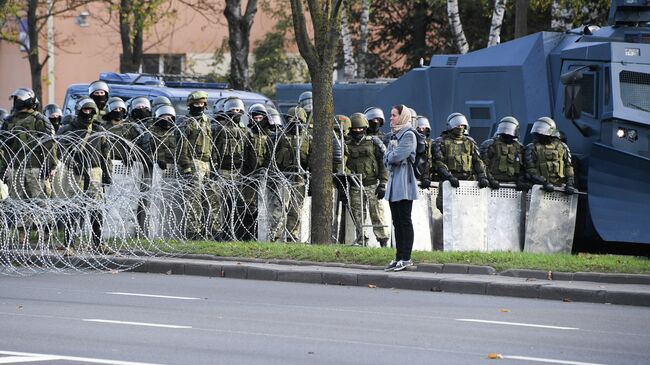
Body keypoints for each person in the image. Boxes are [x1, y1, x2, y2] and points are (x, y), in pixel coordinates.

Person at [0, 88, 58, 245]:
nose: (16, 102)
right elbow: (4, 146)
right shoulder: (9, 121)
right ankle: (22, 234)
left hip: (35, 167)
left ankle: (44, 234)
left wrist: (50, 165)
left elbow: (49, 144)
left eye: (19, 99)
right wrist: (2, 169)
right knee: (18, 201)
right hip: (15, 167)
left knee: (39, 200)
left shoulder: (39, 119)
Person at [57, 98, 112, 254]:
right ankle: (70, 244)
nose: (88, 113)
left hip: (95, 172)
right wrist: (73, 163)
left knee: (96, 209)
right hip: (75, 173)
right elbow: (60, 151)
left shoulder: (98, 130)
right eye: (85, 110)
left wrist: (107, 173)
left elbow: (105, 154)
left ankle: (99, 243)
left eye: (91, 110)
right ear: (79, 110)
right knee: (73, 208)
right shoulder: (68, 129)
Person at [345, 113, 390, 247]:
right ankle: (361, 240)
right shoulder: (347, 144)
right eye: (355, 129)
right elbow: (342, 164)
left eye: (360, 129)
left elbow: (383, 163)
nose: (358, 131)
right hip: (355, 186)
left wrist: (382, 183)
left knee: (377, 215)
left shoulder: (374, 142)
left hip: (372, 185)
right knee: (358, 215)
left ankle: (383, 241)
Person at [383, 105, 418, 271]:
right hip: (394, 182)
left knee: (405, 220)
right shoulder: (394, 135)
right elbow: (387, 158)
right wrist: (391, 157)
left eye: (394, 115)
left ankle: (406, 257)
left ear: (402, 117)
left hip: (404, 183)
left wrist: (390, 156)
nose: (391, 118)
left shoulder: (409, 135)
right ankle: (398, 257)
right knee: (396, 222)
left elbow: (397, 156)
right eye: (391, 115)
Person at [269, 106, 311, 242]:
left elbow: (313, 159)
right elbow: (272, 158)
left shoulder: (308, 138)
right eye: (291, 119)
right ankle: (274, 234)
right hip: (283, 175)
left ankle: (292, 234)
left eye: (298, 120)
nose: (294, 122)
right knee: (280, 206)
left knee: (295, 208)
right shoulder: (280, 136)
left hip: (299, 177)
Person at [433, 112, 489, 211]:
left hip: (468, 181)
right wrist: (449, 177)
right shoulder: (440, 142)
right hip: (448, 182)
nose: (460, 127)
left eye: (462, 125)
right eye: (457, 125)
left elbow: (477, 160)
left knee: (468, 209)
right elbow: (439, 162)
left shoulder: (469, 142)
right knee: (446, 208)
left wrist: (482, 176)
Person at [210, 97, 248, 240]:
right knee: (219, 205)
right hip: (222, 171)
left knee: (235, 206)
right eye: (232, 110)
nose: (235, 112)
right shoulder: (219, 129)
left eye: (238, 110)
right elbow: (213, 149)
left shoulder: (245, 131)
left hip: (238, 172)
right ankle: (218, 233)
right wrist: (214, 169)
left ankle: (234, 234)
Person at [176, 90, 212, 239]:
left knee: (208, 200)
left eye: (202, 103)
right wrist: (186, 167)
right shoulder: (186, 122)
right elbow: (181, 147)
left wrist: (212, 163)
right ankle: (192, 232)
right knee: (193, 200)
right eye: (197, 103)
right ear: (191, 105)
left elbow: (210, 143)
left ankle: (207, 231)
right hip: (193, 162)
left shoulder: (206, 121)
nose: (200, 106)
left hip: (206, 163)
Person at [241, 103, 273, 241]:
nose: (258, 121)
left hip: (266, 176)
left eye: (261, 118)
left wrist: (266, 169)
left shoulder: (271, 136)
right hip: (249, 176)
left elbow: (272, 156)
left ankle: (262, 236)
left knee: (265, 208)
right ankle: (248, 236)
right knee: (249, 207)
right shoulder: (248, 134)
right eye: (256, 118)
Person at [524, 117, 577, 194]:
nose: (540, 134)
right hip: (539, 188)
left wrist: (570, 183)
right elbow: (531, 171)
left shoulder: (562, 147)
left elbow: (568, 167)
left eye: (542, 131)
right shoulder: (531, 148)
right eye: (538, 132)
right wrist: (544, 182)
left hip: (560, 188)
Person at [480, 116, 528, 190]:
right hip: (493, 185)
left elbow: (523, 168)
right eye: (504, 128)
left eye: (509, 129)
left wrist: (520, 181)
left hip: (513, 185)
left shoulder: (519, 147)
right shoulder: (490, 145)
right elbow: (482, 166)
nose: (506, 132)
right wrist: (491, 180)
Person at [414, 115, 432, 189]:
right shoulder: (409, 142)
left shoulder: (431, 143)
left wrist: (426, 178)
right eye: (419, 128)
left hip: (429, 180)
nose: (421, 130)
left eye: (424, 128)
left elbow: (431, 161)